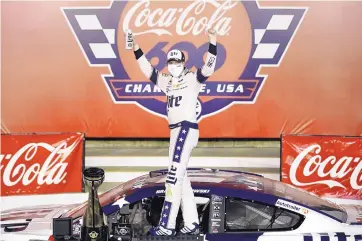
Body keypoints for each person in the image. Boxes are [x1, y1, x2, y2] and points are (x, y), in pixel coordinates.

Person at [128, 29, 217, 236]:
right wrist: (136, 49)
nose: (173, 66)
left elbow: (209, 68)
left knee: (173, 177)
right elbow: (147, 70)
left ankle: (167, 225)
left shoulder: (193, 78)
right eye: (170, 63)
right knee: (182, 177)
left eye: (177, 62)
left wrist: (213, 42)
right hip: (175, 131)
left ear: (183, 62)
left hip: (186, 128)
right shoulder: (167, 80)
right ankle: (192, 221)